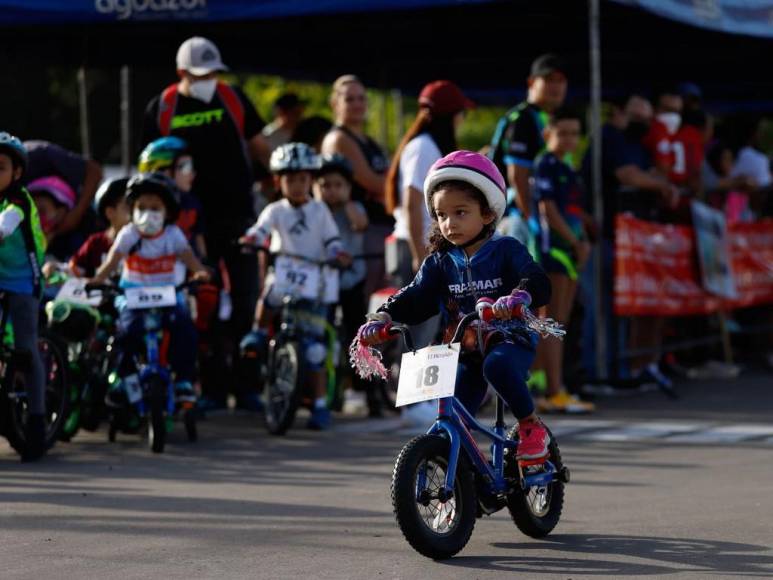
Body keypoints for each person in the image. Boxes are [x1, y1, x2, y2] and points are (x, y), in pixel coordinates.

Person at [358, 151, 553, 463]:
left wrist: (519, 297)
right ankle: (465, 472)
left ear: (487, 213)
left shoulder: (505, 249)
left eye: (461, 212)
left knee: (497, 366)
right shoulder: (440, 262)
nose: (450, 223)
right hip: (462, 348)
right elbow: (417, 295)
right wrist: (384, 315)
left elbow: (536, 279)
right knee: (451, 412)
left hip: (508, 339)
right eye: (442, 215)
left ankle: (531, 425)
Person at [141, 36, 271, 411]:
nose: (209, 78)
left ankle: (246, 387)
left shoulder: (232, 98)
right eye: (201, 73)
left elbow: (260, 146)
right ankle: (211, 387)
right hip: (190, 222)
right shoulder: (163, 107)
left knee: (246, 299)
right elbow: (148, 164)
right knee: (205, 302)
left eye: (214, 72)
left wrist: (279, 180)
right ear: (182, 73)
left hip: (239, 215)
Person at [239, 142, 351, 430]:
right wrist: (252, 239)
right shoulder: (275, 210)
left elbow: (332, 240)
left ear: (311, 180)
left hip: (315, 282)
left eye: (303, 179)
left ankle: (319, 405)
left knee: (314, 351)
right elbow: (260, 230)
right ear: (279, 181)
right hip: (286, 273)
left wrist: (338, 253)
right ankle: (258, 332)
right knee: (270, 293)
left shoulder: (320, 211)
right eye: (291, 179)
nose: (298, 185)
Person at [90, 173, 210, 406]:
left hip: (168, 294)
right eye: (141, 207)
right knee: (126, 332)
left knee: (184, 326)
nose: (148, 213)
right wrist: (97, 279)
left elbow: (189, 258)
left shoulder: (173, 235)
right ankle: (126, 380)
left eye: (155, 208)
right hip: (132, 295)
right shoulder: (128, 234)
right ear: (132, 209)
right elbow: (112, 261)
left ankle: (184, 381)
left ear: (168, 211)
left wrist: (200, 272)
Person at [532, 109, 595, 413]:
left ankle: (553, 388)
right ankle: (552, 390)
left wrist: (584, 239)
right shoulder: (545, 164)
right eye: (564, 132)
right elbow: (549, 211)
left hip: (572, 250)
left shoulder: (569, 168)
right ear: (549, 135)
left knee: (561, 322)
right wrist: (575, 241)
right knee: (552, 322)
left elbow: (572, 211)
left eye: (575, 133)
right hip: (553, 250)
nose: (570, 139)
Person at [385, 80, 474, 286]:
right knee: (416, 319)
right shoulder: (423, 147)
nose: (462, 120)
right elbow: (411, 203)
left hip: (426, 247)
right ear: (450, 115)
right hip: (414, 247)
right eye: (461, 113)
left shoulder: (429, 145)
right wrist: (419, 256)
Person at [314, 154, 380, 414]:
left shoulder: (353, 209)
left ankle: (370, 393)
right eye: (325, 185)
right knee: (323, 333)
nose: (331, 191)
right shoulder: (315, 211)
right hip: (323, 283)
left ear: (348, 188)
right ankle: (329, 391)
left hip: (351, 279)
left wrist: (346, 202)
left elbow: (360, 224)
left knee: (359, 334)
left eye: (338, 185)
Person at [488, 53, 568, 253]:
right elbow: (517, 175)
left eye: (561, 80)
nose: (556, 86)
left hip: (546, 219)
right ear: (532, 82)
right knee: (524, 283)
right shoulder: (522, 118)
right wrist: (532, 220)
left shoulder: (549, 118)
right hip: (519, 220)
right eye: (549, 79)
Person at [0, 133, 48, 461]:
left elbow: (2, 228)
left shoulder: (19, 201)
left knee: (26, 347)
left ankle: (37, 418)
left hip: (22, 280)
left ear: (16, 173)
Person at [321, 75, 391, 297]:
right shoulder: (338, 139)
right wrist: (393, 190)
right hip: (358, 232)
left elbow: (386, 181)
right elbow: (375, 182)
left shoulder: (368, 141)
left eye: (361, 98)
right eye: (350, 99)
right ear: (335, 104)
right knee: (367, 300)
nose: (358, 104)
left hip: (378, 226)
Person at [138, 136, 207, 258]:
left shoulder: (192, 203)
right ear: (163, 171)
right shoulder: (142, 207)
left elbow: (198, 239)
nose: (192, 173)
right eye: (186, 167)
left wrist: (204, 264)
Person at [23, 139, 103, 239]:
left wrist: (76, 214)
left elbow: (94, 170)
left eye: (41, 210)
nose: (38, 218)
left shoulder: (38, 156)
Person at [69, 177, 130, 278]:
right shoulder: (96, 243)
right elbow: (74, 270)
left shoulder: (147, 242)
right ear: (110, 212)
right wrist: (56, 268)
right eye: (129, 206)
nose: (136, 213)